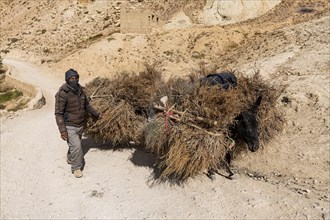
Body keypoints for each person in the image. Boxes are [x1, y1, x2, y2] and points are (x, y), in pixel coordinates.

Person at [55, 68, 101, 178]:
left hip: (81, 124)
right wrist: (62, 130)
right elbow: (58, 113)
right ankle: (76, 168)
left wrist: (97, 114)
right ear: (67, 80)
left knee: (74, 146)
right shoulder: (62, 94)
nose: (74, 80)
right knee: (77, 147)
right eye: (72, 78)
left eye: (76, 78)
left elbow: (87, 106)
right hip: (69, 125)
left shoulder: (81, 91)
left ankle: (70, 158)